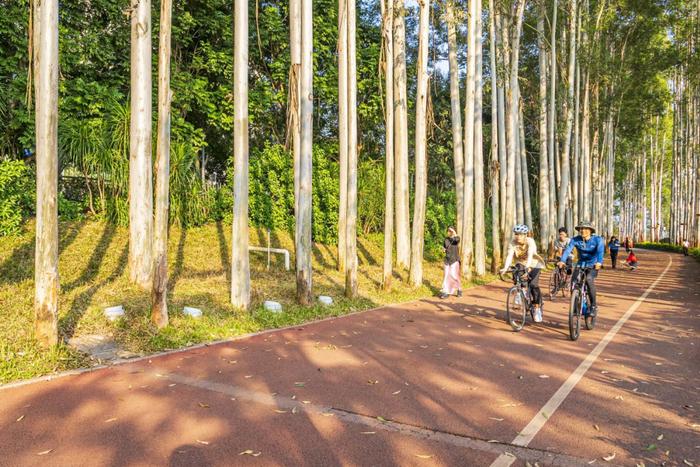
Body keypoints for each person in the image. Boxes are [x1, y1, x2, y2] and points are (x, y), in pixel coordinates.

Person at [500, 224, 546, 322]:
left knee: (533, 285)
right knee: (516, 271)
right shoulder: (512, 243)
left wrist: (528, 267)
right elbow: (509, 256)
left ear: (525, 235)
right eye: (516, 234)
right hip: (521, 263)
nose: (518, 236)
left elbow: (530, 256)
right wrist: (505, 268)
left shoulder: (530, 241)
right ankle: (519, 291)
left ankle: (537, 308)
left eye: (520, 234)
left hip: (534, 264)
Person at [559, 220, 604, 318]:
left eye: (585, 229)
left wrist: (599, 262)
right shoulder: (575, 240)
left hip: (593, 264)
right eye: (581, 229)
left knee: (588, 279)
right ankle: (575, 305)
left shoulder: (597, 239)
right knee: (574, 283)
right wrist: (562, 261)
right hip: (580, 264)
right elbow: (567, 250)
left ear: (591, 230)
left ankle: (593, 306)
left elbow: (600, 251)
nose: (583, 230)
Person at [439, 227, 462, 299]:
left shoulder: (456, 238)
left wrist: (454, 233)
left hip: (454, 260)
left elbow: (457, 240)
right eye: (448, 230)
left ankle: (459, 289)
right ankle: (446, 292)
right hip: (447, 260)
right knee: (446, 275)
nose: (449, 232)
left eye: (450, 231)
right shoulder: (446, 239)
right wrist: (444, 249)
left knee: (454, 275)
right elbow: (445, 247)